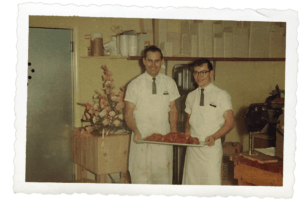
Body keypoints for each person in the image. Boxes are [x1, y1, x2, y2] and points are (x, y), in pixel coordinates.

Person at [124, 45, 180, 184]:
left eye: (157, 61)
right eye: (150, 60)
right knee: (141, 179)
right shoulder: (134, 85)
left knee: (163, 178)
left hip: (163, 138)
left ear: (162, 61)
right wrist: (136, 130)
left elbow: (173, 109)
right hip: (141, 138)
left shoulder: (169, 82)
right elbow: (128, 114)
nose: (153, 65)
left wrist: (173, 131)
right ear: (143, 61)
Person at [182, 58, 235, 185]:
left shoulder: (222, 95)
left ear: (211, 73)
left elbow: (230, 122)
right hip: (193, 148)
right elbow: (188, 120)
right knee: (190, 185)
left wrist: (214, 136)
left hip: (211, 147)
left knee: (210, 186)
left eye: (203, 72)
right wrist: (187, 132)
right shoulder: (191, 96)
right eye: (196, 72)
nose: (199, 76)